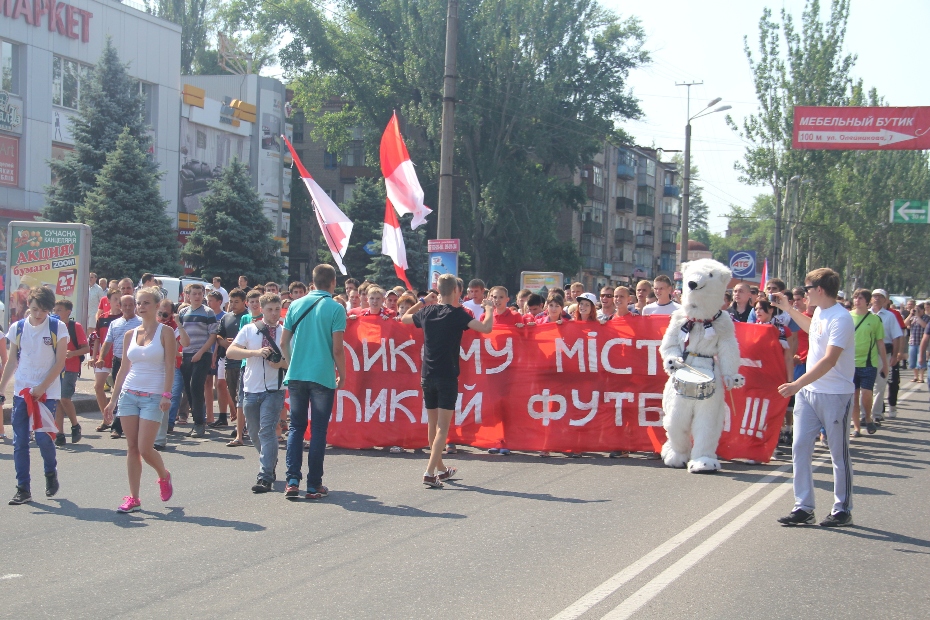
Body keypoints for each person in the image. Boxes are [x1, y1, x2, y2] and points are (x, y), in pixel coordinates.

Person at [774, 268, 855, 527]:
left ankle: (843, 509)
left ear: (819, 290)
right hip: (810, 393)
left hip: (834, 394)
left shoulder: (842, 318)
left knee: (837, 454)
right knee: (800, 448)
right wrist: (788, 308)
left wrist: (796, 384)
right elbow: (813, 329)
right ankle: (804, 507)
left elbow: (830, 360)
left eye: (807, 289)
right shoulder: (821, 312)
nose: (804, 294)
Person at [401, 274, 494, 487]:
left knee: (432, 423)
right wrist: (488, 309)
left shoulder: (426, 311)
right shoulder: (458, 314)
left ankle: (441, 468)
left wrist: (423, 301)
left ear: (438, 291)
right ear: (455, 291)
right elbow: (486, 328)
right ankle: (429, 471)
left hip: (427, 374)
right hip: (447, 375)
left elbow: (405, 317)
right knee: (443, 426)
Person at [103, 287, 175, 512]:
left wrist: (166, 394)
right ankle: (134, 498)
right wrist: (113, 400)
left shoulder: (166, 332)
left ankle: (163, 475)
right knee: (132, 447)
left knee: (145, 448)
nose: (140, 307)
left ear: (156, 306)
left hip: (153, 396)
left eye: (145, 303)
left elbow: (170, 365)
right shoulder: (129, 334)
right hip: (129, 394)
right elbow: (124, 369)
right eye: (138, 303)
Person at [280, 264, 347, 499]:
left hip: (297, 374)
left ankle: (291, 481)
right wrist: (343, 374)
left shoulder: (295, 305)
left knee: (296, 427)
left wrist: (291, 363)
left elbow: (283, 342)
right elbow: (337, 349)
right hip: (322, 376)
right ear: (333, 282)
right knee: (318, 429)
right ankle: (314, 484)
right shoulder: (336, 308)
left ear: (313, 281)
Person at [1, 286, 69, 505]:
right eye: (34, 309)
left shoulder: (57, 327)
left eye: (42, 310)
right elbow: (12, 361)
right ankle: (23, 488)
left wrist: (41, 387)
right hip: (22, 391)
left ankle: (50, 472)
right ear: (28, 307)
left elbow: (60, 363)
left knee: (42, 438)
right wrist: (1, 389)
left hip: (46, 393)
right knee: (20, 441)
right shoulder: (18, 328)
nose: (38, 314)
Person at [228, 293, 289, 493]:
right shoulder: (249, 329)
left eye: (276, 309)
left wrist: (281, 364)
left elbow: (295, 361)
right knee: (254, 434)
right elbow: (231, 351)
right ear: (261, 310)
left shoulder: (286, 332)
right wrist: (254, 353)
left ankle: (264, 477)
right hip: (250, 389)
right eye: (269, 309)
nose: (273, 313)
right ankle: (269, 462)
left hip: (274, 390)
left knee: (267, 431)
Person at [178, 283, 219, 438]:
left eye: (200, 293)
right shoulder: (183, 312)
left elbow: (213, 335)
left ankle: (199, 423)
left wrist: (201, 352)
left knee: (196, 386)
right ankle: (196, 419)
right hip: (187, 354)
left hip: (203, 355)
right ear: (188, 295)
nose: (197, 296)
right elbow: (180, 334)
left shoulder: (208, 312)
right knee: (188, 390)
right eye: (194, 293)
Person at [100, 295, 142, 439]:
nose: (128, 308)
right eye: (125, 305)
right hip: (118, 361)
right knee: (118, 393)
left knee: (131, 393)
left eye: (131, 305)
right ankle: (117, 426)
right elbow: (107, 342)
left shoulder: (141, 323)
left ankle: (123, 426)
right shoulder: (115, 323)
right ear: (120, 306)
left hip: (135, 363)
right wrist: (100, 358)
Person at [848, 288, 887, 438]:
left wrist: (885, 364)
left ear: (867, 301)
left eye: (861, 298)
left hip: (869, 363)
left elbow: (880, 343)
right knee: (854, 396)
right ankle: (857, 427)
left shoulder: (875, 319)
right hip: (850, 363)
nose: (857, 300)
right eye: (855, 297)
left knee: (866, 393)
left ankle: (868, 417)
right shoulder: (847, 317)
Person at [52, 300, 89, 446]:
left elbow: (86, 349)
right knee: (57, 401)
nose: (56, 313)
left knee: (64, 398)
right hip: (55, 368)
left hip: (70, 367)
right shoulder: (53, 327)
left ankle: (75, 425)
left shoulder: (75, 327)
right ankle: (59, 433)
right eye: (55, 310)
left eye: (59, 310)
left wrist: (72, 353)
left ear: (68, 312)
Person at [153, 298, 189, 451]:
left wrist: (178, 324)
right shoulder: (151, 324)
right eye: (159, 313)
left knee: (167, 398)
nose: (162, 316)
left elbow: (185, 345)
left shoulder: (173, 327)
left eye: (165, 314)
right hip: (151, 367)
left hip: (169, 368)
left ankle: (161, 437)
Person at [869, 289, 903, 422]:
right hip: (866, 354)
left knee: (880, 385)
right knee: (867, 385)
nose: (877, 298)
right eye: (875, 296)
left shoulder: (890, 316)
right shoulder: (866, 314)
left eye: (880, 296)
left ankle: (876, 414)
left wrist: (895, 355)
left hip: (885, 354)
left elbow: (896, 337)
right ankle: (865, 414)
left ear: (885, 300)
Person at [91, 289, 123, 432]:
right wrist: (94, 357)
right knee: (98, 387)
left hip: (119, 358)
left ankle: (118, 422)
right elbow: (97, 338)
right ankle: (106, 418)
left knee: (119, 390)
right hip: (104, 358)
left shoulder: (125, 318)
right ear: (108, 301)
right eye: (115, 299)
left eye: (120, 299)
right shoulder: (102, 318)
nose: (118, 302)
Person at [753, 299, 793, 383]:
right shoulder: (752, 329)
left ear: (771, 310)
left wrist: (790, 381)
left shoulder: (784, 330)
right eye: (756, 309)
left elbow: (788, 357)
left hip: (776, 373)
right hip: (756, 374)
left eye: (761, 308)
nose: (757, 311)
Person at [205, 290, 229, 427]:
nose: (209, 303)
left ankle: (225, 413)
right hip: (207, 353)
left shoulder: (225, 316)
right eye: (208, 300)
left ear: (219, 302)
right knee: (207, 383)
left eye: (211, 300)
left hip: (220, 354)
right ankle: (209, 416)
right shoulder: (206, 315)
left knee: (221, 385)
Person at [904, 302, 927, 383]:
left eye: (918, 310)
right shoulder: (912, 317)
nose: (916, 311)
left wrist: (917, 316)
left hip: (922, 343)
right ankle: (915, 376)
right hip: (913, 342)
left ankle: (921, 377)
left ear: (923, 310)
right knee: (913, 360)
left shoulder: (926, 318)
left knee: (921, 360)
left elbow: (925, 325)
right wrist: (911, 315)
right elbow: (904, 324)